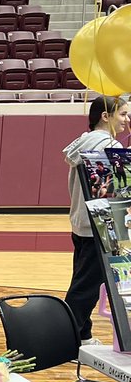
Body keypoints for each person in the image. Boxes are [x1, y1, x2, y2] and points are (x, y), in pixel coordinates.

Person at [64, 95, 130, 343]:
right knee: (85, 289)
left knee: (82, 283)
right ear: (105, 116)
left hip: (82, 223)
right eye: (122, 114)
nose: (126, 119)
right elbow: (120, 190)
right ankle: (66, 339)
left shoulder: (84, 141)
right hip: (100, 226)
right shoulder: (108, 146)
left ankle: (82, 334)